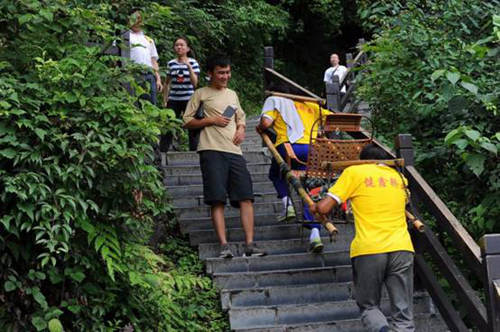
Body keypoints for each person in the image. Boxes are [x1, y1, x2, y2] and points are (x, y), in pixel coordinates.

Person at [310, 143, 415, 332]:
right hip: (402, 247)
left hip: (369, 248)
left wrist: (316, 209)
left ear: (363, 159)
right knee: (403, 310)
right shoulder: (398, 177)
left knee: (369, 306)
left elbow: (324, 208)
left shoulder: (355, 172)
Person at [183, 55, 266, 259]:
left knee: (246, 196)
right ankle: (224, 246)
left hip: (234, 151)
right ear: (210, 73)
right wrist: (210, 120)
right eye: (221, 72)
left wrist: (241, 129)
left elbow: (241, 116)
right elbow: (186, 121)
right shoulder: (201, 93)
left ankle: (250, 244)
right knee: (217, 199)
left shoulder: (232, 94)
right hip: (210, 149)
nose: (225, 76)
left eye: (227, 72)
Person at [256, 94, 329, 253]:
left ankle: (287, 203)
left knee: (276, 175)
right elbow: (332, 121)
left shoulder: (275, 99)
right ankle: (315, 233)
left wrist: (260, 128)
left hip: (289, 148)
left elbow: (266, 122)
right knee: (307, 189)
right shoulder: (312, 104)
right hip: (312, 150)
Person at [160, 37, 201, 165]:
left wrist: (188, 67)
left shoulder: (193, 63)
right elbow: (167, 83)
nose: (179, 47)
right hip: (174, 99)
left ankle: (194, 154)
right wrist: (164, 100)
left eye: (182, 45)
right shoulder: (171, 63)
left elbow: (195, 84)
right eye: (177, 45)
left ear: (187, 48)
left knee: (192, 125)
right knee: (169, 125)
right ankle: (163, 153)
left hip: (189, 99)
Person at [128, 9, 162, 105]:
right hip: (131, 75)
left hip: (149, 76)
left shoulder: (148, 39)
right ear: (129, 19)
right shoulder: (124, 36)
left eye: (140, 18)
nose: (138, 21)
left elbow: (153, 60)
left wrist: (158, 79)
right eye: (135, 18)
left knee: (151, 105)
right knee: (133, 104)